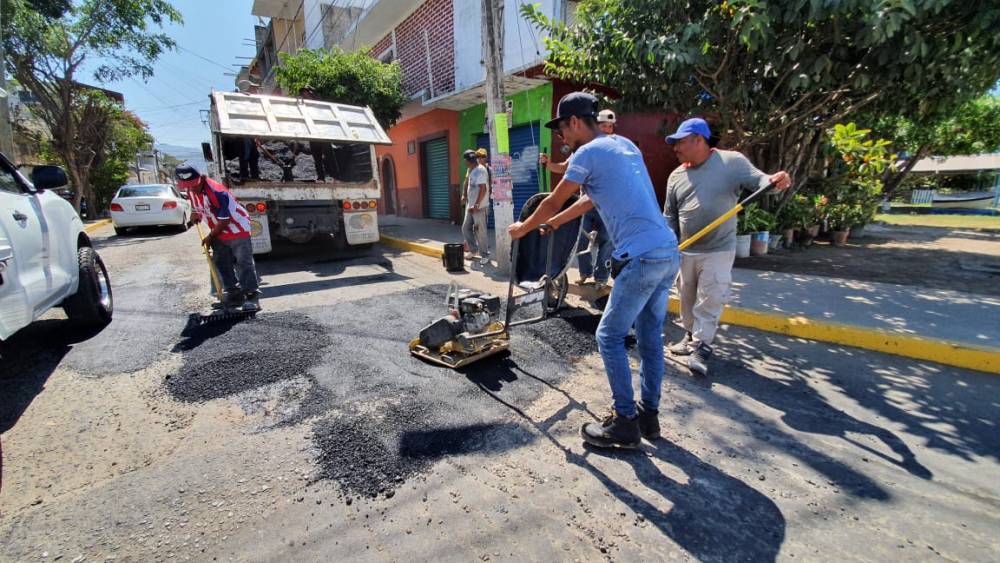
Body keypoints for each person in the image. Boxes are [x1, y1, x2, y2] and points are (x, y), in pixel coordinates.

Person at [509, 92, 679, 449]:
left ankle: (625, 423)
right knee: (649, 339)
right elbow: (588, 200)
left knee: (609, 336)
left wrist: (522, 229)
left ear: (574, 122)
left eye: (562, 131)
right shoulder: (623, 146)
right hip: (666, 252)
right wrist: (554, 223)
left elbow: (555, 197)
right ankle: (649, 416)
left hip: (642, 257)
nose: (562, 139)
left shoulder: (586, 153)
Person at [663, 118, 791, 376]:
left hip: (718, 249)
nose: (675, 148)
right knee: (686, 298)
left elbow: (761, 181)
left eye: (680, 142)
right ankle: (690, 336)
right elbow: (670, 217)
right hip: (685, 249)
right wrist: (666, 245)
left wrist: (775, 180)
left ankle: (702, 346)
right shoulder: (676, 175)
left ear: (699, 139)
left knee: (711, 297)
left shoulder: (731, 162)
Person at [176, 162, 262, 312]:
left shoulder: (217, 192)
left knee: (243, 263)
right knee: (222, 262)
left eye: (193, 184)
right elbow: (197, 207)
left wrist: (209, 237)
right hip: (218, 230)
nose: (191, 188)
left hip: (237, 228)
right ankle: (234, 296)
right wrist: (195, 214)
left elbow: (225, 220)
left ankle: (252, 297)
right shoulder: (191, 190)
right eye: (187, 185)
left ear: (201, 177)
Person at [461, 149, 490, 265]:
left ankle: (485, 255)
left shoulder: (480, 171)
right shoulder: (470, 169)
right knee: (465, 228)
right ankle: (473, 250)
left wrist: (477, 205)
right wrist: (464, 195)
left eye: (466, 160)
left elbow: (483, 189)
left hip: (480, 206)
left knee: (480, 231)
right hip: (470, 205)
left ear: (468, 161)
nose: (466, 162)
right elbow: (466, 182)